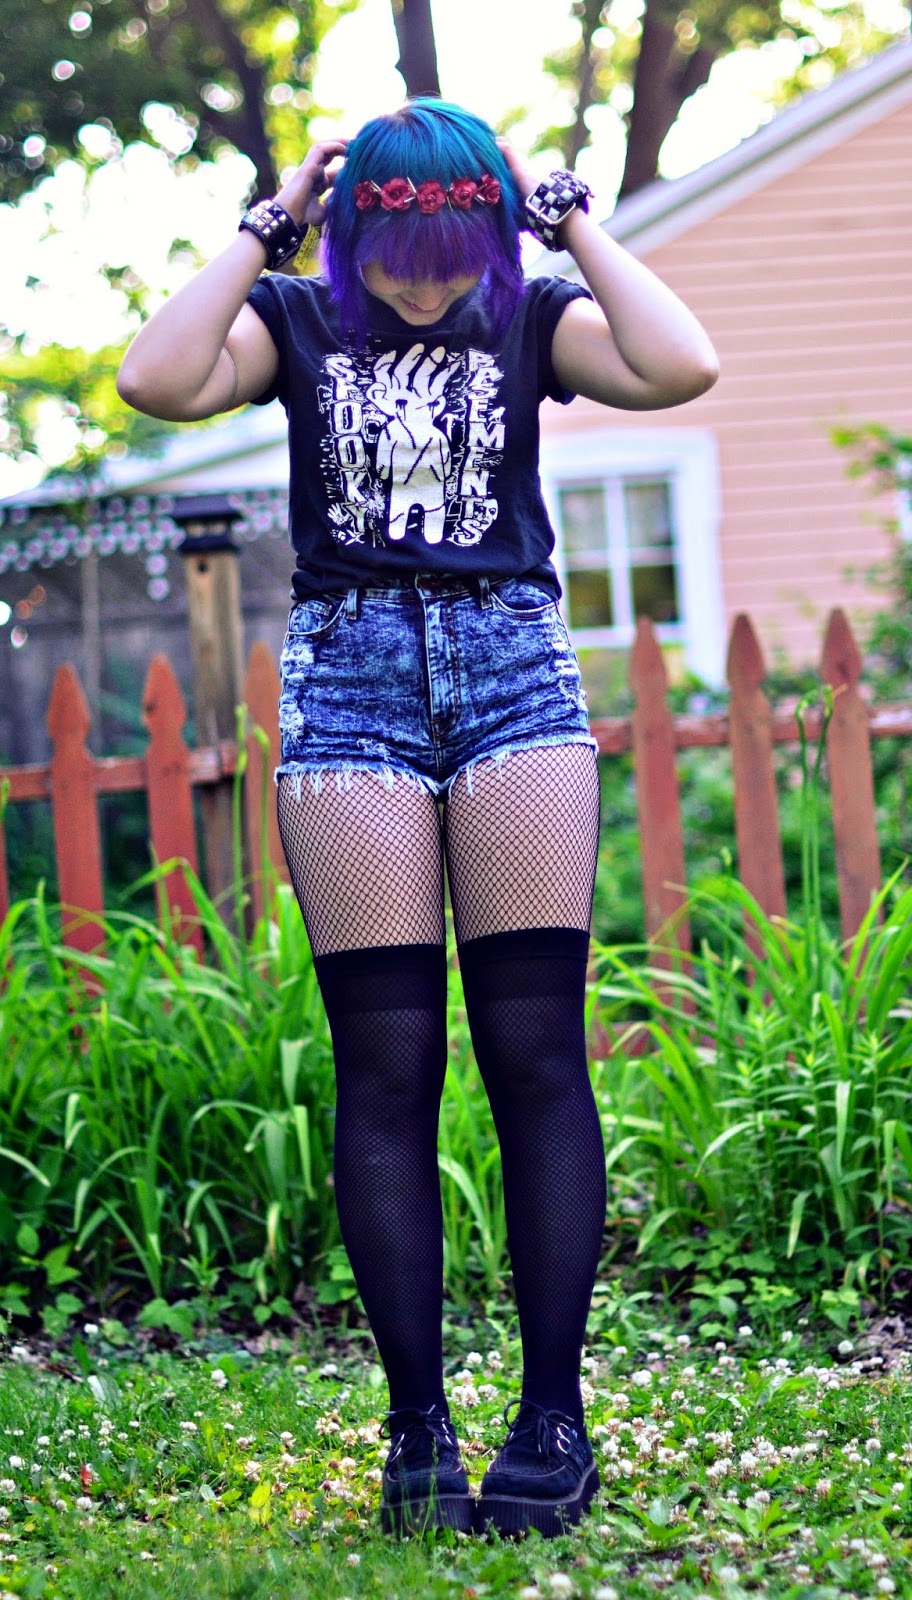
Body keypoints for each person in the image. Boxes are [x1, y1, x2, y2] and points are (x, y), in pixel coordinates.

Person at [117, 98, 718, 1540]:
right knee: (386, 1068)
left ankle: (553, 1419)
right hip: (352, 698)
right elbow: (157, 379)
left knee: (537, 1057)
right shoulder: (295, 321)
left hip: (515, 682)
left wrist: (565, 217)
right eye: (401, 265)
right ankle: (416, 1431)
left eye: (455, 263)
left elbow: (681, 363)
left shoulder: (534, 318)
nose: (428, 291)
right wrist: (274, 220)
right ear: (350, 238)